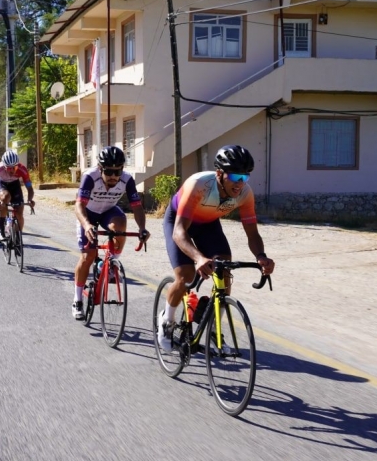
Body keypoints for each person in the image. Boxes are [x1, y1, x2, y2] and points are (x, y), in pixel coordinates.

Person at [157, 144, 275, 352]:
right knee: (185, 276)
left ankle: (211, 327)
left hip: (207, 225)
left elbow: (252, 233)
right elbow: (179, 232)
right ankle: (167, 320)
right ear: (220, 173)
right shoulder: (198, 185)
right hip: (179, 222)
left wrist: (261, 256)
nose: (240, 184)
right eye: (235, 177)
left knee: (224, 271)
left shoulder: (245, 194)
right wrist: (198, 258)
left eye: (245, 177)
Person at [72, 146, 149, 320]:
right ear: (100, 169)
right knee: (88, 256)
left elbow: (136, 206)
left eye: (117, 171)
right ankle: (77, 299)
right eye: (109, 171)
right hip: (88, 213)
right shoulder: (90, 177)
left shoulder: (127, 180)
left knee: (121, 225)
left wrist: (142, 228)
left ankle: (111, 261)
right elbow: (79, 205)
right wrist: (86, 225)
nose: (114, 176)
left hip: (108, 211)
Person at [0, 150, 35, 240]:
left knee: (19, 213)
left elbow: (30, 188)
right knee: (5, 198)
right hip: (3, 185)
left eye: (13, 168)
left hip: (15, 185)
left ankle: (18, 237)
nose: (11, 170)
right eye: (8, 168)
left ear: (17, 165)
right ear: (4, 166)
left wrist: (30, 199)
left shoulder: (22, 169)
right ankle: (1, 230)